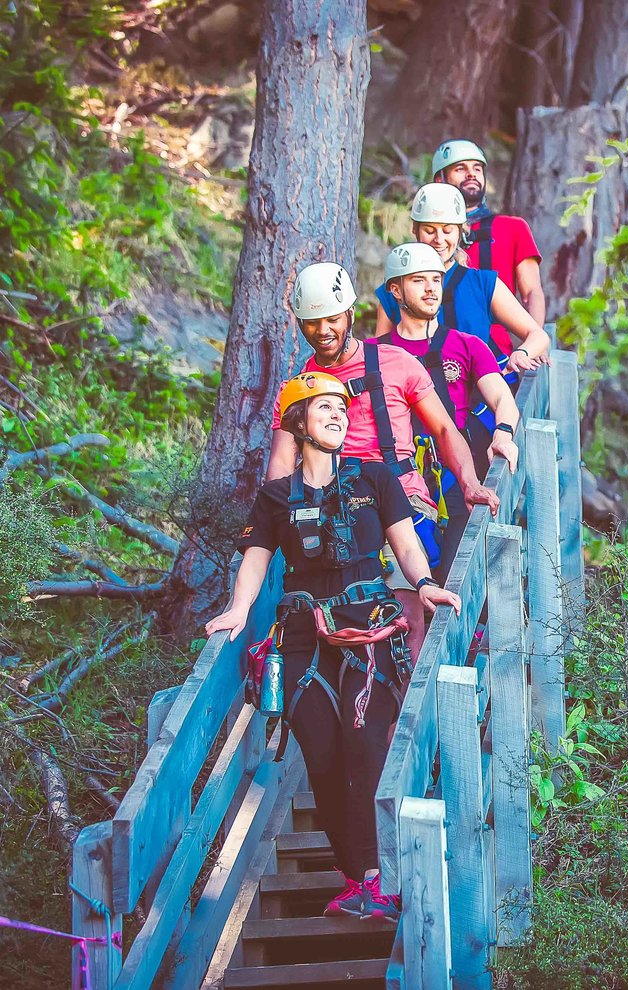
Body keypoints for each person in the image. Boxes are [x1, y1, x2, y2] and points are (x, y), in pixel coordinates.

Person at [207, 371, 460, 921]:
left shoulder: (376, 479)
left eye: (342, 409)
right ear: (297, 422)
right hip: (303, 638)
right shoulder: (275, 497)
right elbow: (255, 559)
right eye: (323, 408)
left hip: (369, 628)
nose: (337, 416)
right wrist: (240, 610)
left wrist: (424, 585)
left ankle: (378, 879)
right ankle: (355, 879)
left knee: (364, 747)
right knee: (322, 757)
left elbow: (406, 541)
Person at [265, 261, 496, 660]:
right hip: (332, 511)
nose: (323, 331)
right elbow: (281, 468)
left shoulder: (396, 363)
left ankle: (407, 715)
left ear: (350, 313)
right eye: (312, 322)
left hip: (401, 500)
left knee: (406, 618)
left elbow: (443, 430)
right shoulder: (296, 392)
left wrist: (470, 482)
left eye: (332, 319)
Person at [375, 241, 521, 578]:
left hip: (456, 473)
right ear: (395, 290)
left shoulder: (467, 345)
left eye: (436, 280)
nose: (430, 290)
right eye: (418, 281)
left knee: (456, 575)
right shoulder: (373, 354)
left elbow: (502, 398)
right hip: (396, 480)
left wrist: (503, 433)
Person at [372, 182, 551, 375]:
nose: (439, 239)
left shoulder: (483, 283)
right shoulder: (395, 289)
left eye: (447, 230)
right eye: (429, 231)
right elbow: (381, 355)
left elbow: (538, 335)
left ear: (460, 232)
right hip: (417, 397)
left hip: (482, 397)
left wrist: (522, 353)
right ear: (415, 231)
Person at [430, 139, 546, 333]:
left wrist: (535, 340)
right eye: (460, 168)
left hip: (495, 352)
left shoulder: (513, 228)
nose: (471, 174)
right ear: (440, 180)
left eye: (477, 168)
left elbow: (532, 292)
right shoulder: (432, 234)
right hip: (438, 346)